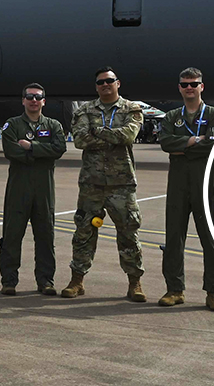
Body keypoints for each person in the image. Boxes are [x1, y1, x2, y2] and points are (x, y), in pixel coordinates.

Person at [62, 67, 147, 302]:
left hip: (122, 184)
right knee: (84, 232)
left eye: (109, 81)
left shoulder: (132, 108)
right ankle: (76, 281)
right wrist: (112, 137)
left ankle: (134, 283)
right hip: (92, 184)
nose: (105, 85)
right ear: (96, 86)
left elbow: (129, 136)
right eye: (100, 82)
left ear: (118, 83)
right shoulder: (85, 110)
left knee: (128, 233)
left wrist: (97, 131)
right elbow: (79, 140)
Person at [157, 67, 214, 311]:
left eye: (194, 84)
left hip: (204, 181)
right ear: (179, 87)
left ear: (201, 87)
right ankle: (175, 289)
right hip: (177, 183)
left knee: (210, 239)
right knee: (174, 237)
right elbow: (165, 143)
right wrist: (195, 140)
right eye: (185, 84)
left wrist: (183, 146)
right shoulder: (172, 116)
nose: (189, 87)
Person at [0, 82, 66, 295]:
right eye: (29, 97)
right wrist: (42, 153)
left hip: (44, 188)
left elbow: (59, 149)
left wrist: (30, 147)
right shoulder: (13, 124)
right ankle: (9, 281)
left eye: (38, 97)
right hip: (19, 187)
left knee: (45, 235)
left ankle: (46, 281)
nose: (34, 100)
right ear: (23, 100)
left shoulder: (54, 125)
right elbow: (11, 151)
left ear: (44, 101)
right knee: (12, 235)